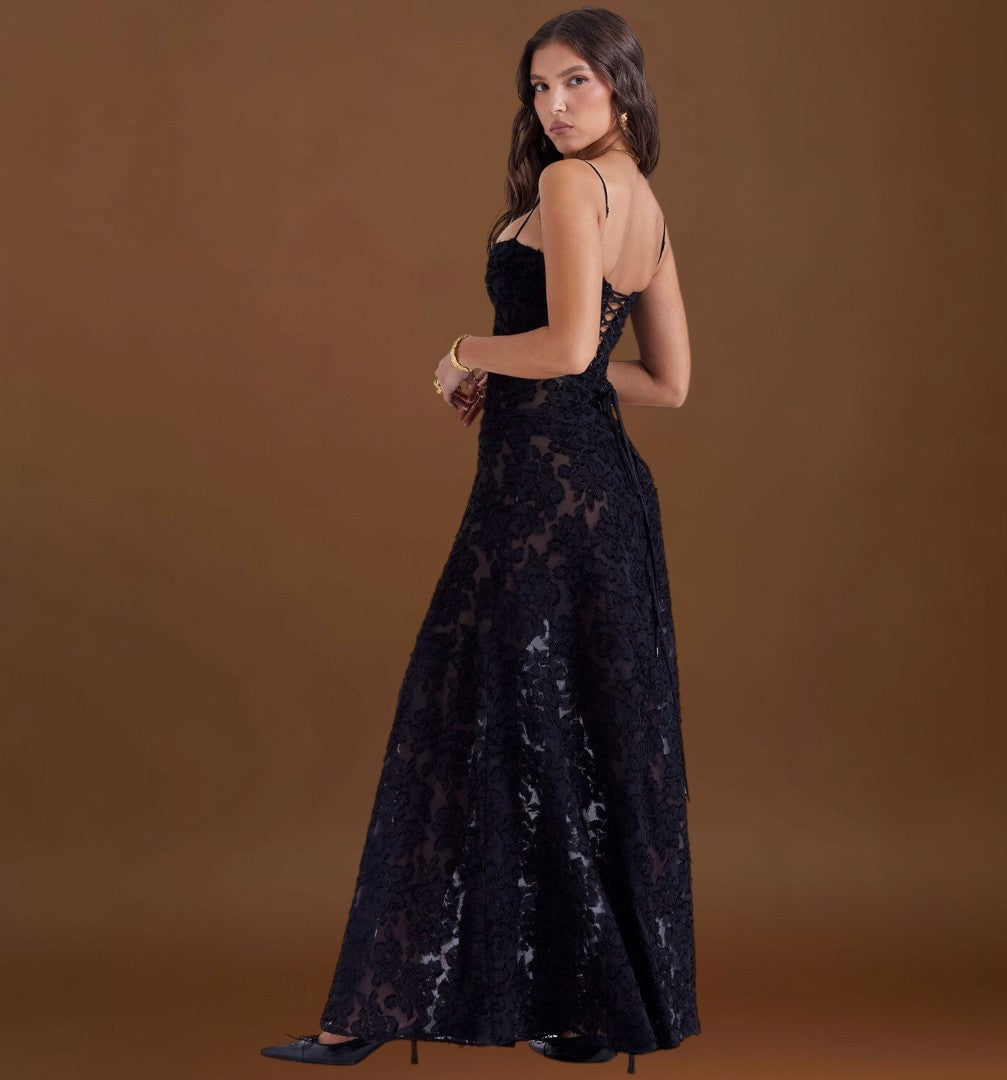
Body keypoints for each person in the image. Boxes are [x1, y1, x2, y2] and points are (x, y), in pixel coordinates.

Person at [260, 7, 697, 1073]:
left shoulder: (570, 185)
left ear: (621, 84)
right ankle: (589, 1011)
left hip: (538, 506)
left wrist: (466, 351)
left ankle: (365, 1012)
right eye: (539, 87)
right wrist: (520, 375)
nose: (553, 105)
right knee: (560, 739)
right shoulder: (644, 204)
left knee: (461, 726)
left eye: (575, 81)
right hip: (599, 503)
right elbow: (661, 382)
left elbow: (565, 344)